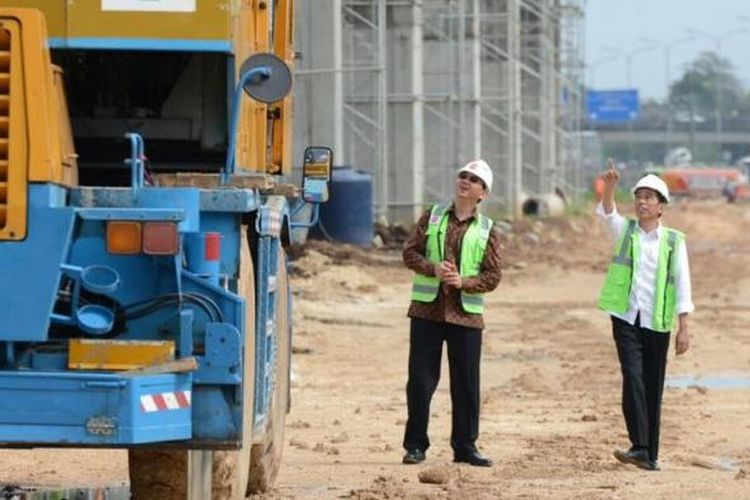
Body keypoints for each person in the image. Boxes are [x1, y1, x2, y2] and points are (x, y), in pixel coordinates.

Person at [401, 159, 502, 467]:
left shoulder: (487, 229)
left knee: (467, 384)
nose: (465, 182)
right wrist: (432, 267)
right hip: (427, 311)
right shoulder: (432, 217)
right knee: (420, 381)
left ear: (482, 193)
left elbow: (493, 275)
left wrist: (464, 282)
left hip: (466, 315)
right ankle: (416, 445)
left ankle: (465, 446)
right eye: (463, 176)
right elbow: (409, 252)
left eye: (473, 180)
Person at [597, 159, 694, 471]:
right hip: (626, 317)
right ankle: (639, 445)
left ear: (661, 205)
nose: (642, 202)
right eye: (639, 196)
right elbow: (608, 213)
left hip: (657, 320)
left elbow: (682, 283)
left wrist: (684, 327)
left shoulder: (673, 241)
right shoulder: (625, 232)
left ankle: (650, 453)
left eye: (649, 197)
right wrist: (610, 187)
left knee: (653, 383)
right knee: (633, 375)